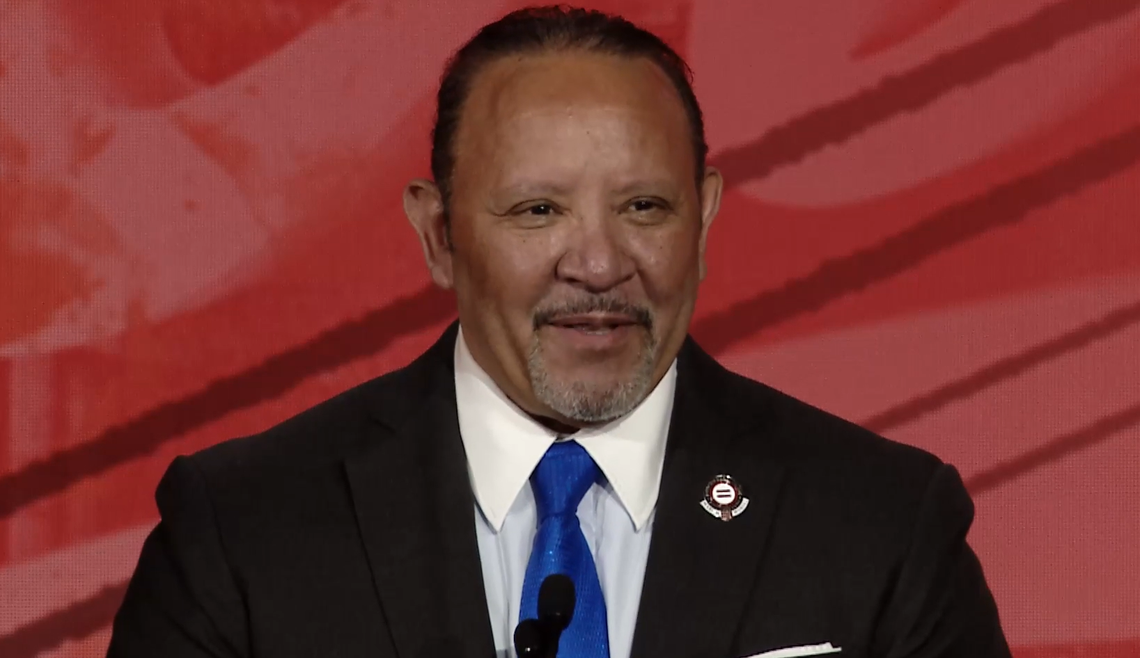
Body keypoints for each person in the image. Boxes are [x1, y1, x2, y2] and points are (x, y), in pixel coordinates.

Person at [108, 6, 1011, 658]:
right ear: (439, 236)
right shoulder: (242, 534)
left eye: (645, 207)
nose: (599, 263)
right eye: (538, 210)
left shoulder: (884, 525)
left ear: (703, 222)